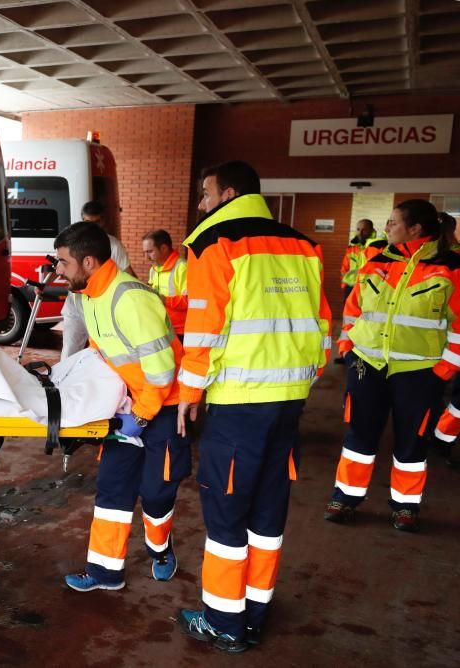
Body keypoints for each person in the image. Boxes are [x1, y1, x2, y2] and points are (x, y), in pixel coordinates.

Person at [175, 161, 331, 653]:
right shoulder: (305, 245)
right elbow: (323, 327)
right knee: (267, 513)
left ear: (229, 193)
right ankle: (254, 612)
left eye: (205, 194)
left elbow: (204, 331)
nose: (201, 204)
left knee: (225, 515)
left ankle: (224, 621)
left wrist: (188, 396)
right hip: (288, 403)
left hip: (239, 405)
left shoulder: (214, 242)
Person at [54, 222, 191, 592]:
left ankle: (160, 550)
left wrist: (141, 416)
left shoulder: (130, 298)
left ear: (89, 261)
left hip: (162, 408)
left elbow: (162, 373)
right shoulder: (89, 297)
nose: (58, 270)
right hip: (128, 407)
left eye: (63, 263)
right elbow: (104, 355)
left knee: (156, 492)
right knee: (113, 489)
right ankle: (104, 572)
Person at [325, 200, 460, 533]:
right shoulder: (375, 261)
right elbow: (353, 309)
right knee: (359, 436)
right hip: (367, 366)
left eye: (393, 223)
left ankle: (405, 506)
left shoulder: (450, 268)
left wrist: (444, 369)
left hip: (418, 373)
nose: (387, 228)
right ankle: (345, 498)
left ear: (415, 229)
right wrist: (348, 348)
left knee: (411, 444)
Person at [60, 201, 135, 360]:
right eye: (88, 223)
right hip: (77, 303)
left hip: (100, 306)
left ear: (102, 221)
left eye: (96, 222)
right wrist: (44, 284)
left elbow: (129, 274)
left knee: (102, 352)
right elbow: (60, 265)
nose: (92, 227)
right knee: (70, 350)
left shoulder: (113, 245)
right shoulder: (71, 244)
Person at [142, 229, 187, 337]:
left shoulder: (182, 267)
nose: (146, 257)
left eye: (150, 252)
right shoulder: (153, 269)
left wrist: (164, 299)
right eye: (144, 252)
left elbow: (190, 301)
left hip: (180, 331)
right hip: (161, 327)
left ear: (164, 248)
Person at [340, 218, 377, 300]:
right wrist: (345, 287)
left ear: (371, 230)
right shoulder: (351, 248)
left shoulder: (377, 247)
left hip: (368, 288)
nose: (360, 233)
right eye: (358, 229)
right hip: (351, 287)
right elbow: (344, 268)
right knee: (348, 312)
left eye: (364, 230)